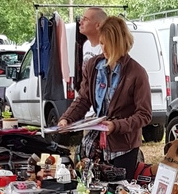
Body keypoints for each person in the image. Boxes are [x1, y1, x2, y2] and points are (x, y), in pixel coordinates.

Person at [57, 15, 151, 179]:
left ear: (120, 44)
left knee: (119, 191)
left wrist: (116, 126)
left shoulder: (137, 73)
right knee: (91, 187)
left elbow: (144, 115)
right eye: (101, 43)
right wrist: (67, 118)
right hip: (97, 144)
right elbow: (83, 99)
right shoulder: (93, 65)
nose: (104, 49)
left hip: (124, 147)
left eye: (109, 44)